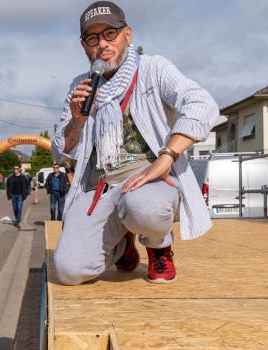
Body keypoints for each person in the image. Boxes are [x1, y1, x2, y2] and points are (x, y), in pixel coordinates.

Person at [51, 1, 219, 286]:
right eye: (93, 38)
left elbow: (202, 104)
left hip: (147, 180)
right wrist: (77, 122)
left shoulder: (153, 68)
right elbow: (60, 151)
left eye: (110, 34)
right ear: (84, 46)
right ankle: (122, 244)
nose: (102, 44)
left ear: (128, 34)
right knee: (69, 271)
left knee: (146, 209)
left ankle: (158, 246)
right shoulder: (81, 85)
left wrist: (166, 157)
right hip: (100, 185)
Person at [6, 164, 28, 228]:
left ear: (19, 170)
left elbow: (25, 186)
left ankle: (18, 222)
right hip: (13, 195)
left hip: (20, 195)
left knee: (19, 208)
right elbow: (8, 186)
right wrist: (9, 194)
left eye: (17, 169)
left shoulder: (23, 177)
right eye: (14, 169)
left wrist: (24, 194)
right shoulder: (10, 178)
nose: (16, 170)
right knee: (15, 209)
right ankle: (17, 219)